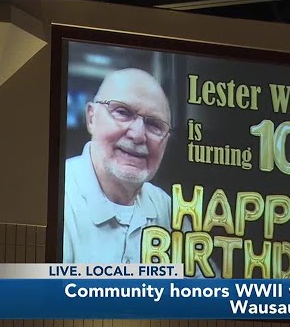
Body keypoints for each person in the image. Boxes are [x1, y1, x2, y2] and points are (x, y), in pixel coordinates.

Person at [63, 68, 205, 273]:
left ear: (166, 141)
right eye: (122, 112)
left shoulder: (166, 207)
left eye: (155, 125)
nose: (138, 135)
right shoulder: (56, 195)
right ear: (91, 118)